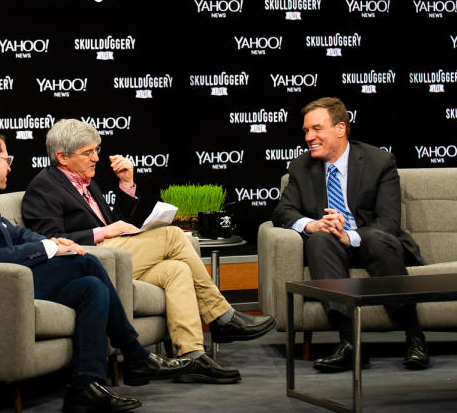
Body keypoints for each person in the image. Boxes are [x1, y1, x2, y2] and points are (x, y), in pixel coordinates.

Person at [0, 126, 191, 412]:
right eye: (7, 160)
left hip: (6, 281)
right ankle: (135, 353)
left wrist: (51, 240)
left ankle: (84, 386)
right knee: (87, 262)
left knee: (92, 289)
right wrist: (47, 249)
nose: (10, 168)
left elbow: (14, 233)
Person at [22, 119, 275, 384]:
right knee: (174, 235)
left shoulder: (86, 182)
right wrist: (101, 233)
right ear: (62, 156)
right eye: (88, 152)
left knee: (177, 270)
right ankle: (221, 316)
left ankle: (192, 356)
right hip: (89, 260)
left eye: (97, 150)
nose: (96, 157)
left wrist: (126, 185)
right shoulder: (44, 187)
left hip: (115, 254)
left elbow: (114, 224)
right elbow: (50, 241)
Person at [273, 97, 429, 372]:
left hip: (374, 242)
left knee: (378, 240)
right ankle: (349, 343)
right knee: (320, 240)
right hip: (332, 248)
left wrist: (350, 236)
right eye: (306, 131)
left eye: (316, 129)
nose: (310, 137)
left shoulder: (378, 162)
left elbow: (389, 222)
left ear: (340, 129)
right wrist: (313, 225)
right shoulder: (301, 167)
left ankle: (414, 338)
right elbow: (283, 211)